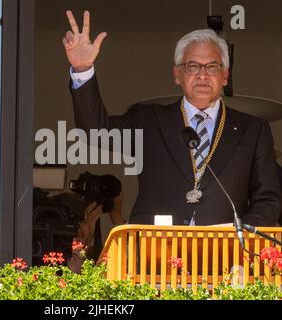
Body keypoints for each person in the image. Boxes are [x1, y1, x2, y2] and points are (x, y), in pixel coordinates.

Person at [62, 10, 281, 227]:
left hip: (223, 254)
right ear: (177, 75)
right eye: (192, 66)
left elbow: (268, 198)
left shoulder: (253, 129)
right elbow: (96, 132)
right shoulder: (149, 120)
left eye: (212, 67)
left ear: (225, 76)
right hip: (155, 251)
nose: (202, 75)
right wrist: (82, 69)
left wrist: (238, 234)